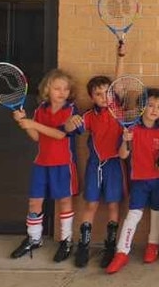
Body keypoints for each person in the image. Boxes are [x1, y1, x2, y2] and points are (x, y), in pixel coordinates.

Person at [10, 69, 80, 262]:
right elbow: (36, 137)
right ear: (47, 90)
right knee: (34, 202)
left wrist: (32, 123)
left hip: (63, 164)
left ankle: (66, 240)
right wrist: (24, 123)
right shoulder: (41, 109)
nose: (62, 92)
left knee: (64, 201)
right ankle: (34, 238)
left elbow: (59, 134)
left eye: (66, 89)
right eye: (57, 88)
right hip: (41, 163)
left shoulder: (71, 110)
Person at [106, 88, 159, 274]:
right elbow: (122, 154)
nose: (154, 110)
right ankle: (122, 252)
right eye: (150, 105)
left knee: (157, 213)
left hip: (158, 181)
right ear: (142, 107)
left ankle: (153, 245)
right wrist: (126, 140)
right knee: (133, 215)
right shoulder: (131, 129)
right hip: (139, 181)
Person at [74, 43, 127, 268]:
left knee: (114, 206)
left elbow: (120, 79)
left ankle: (110, 247)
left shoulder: (118, 107)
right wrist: (69, 123)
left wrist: (120, 55)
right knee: (91, 206)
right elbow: (70, 129)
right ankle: (83, 247)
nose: (104, 96)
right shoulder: (88, 115)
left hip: (115, 164)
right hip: (95, 164)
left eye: (107, 92)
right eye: (98, 94)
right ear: (91, 97)